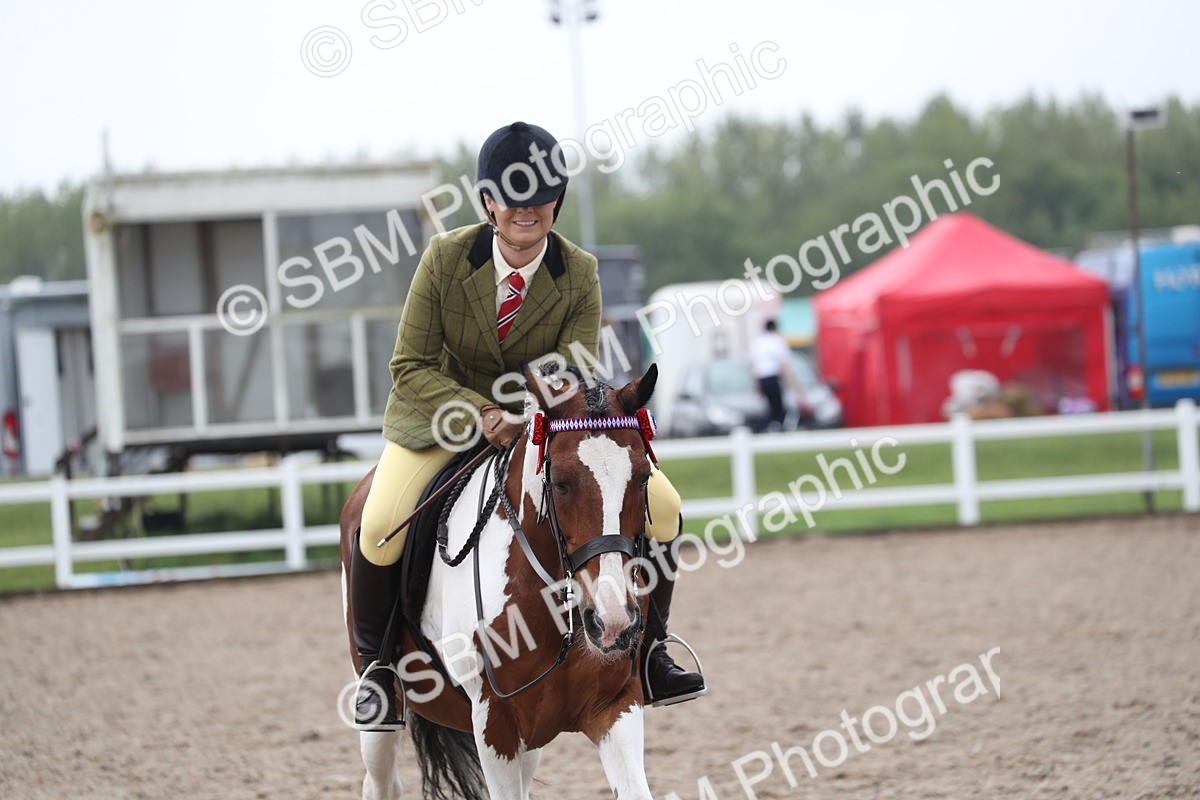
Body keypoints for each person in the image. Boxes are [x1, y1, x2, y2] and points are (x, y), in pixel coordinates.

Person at [350, 121, 703, 730]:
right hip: (439, 420)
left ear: (556, 204)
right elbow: (409, 365)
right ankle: (379, 672)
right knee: (379, 525)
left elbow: (570, 370)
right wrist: (481, 413)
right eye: (513, 198)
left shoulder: (579, 272)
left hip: (539, 424)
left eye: (541, 198)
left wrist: (533, 414)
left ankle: (651, 652)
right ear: (489, 202)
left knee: (665, 506)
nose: (526, 210)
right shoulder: (443, 260)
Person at [750, 319, 791, 432]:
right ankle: (773, 428)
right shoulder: (777, 341)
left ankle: (762, 428)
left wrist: (757, 385)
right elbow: (783, 364)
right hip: (773, 378)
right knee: (778, 409)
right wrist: (789, 382)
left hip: (761, 379)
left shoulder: (757, 342)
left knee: (770, 408)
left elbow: (752, 364)